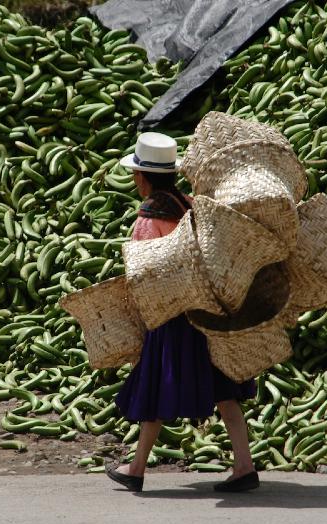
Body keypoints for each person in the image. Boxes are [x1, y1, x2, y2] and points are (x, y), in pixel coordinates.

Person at [105, 132, 259, 493]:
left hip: (171, 314)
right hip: (206, 309)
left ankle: (137, 467)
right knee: (225, 389)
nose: (134, 181)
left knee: (156, 385)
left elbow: (145, 271)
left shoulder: (148, 218)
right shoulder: (191, 204)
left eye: (135, 176)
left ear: (142, 178)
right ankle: (244, 465)